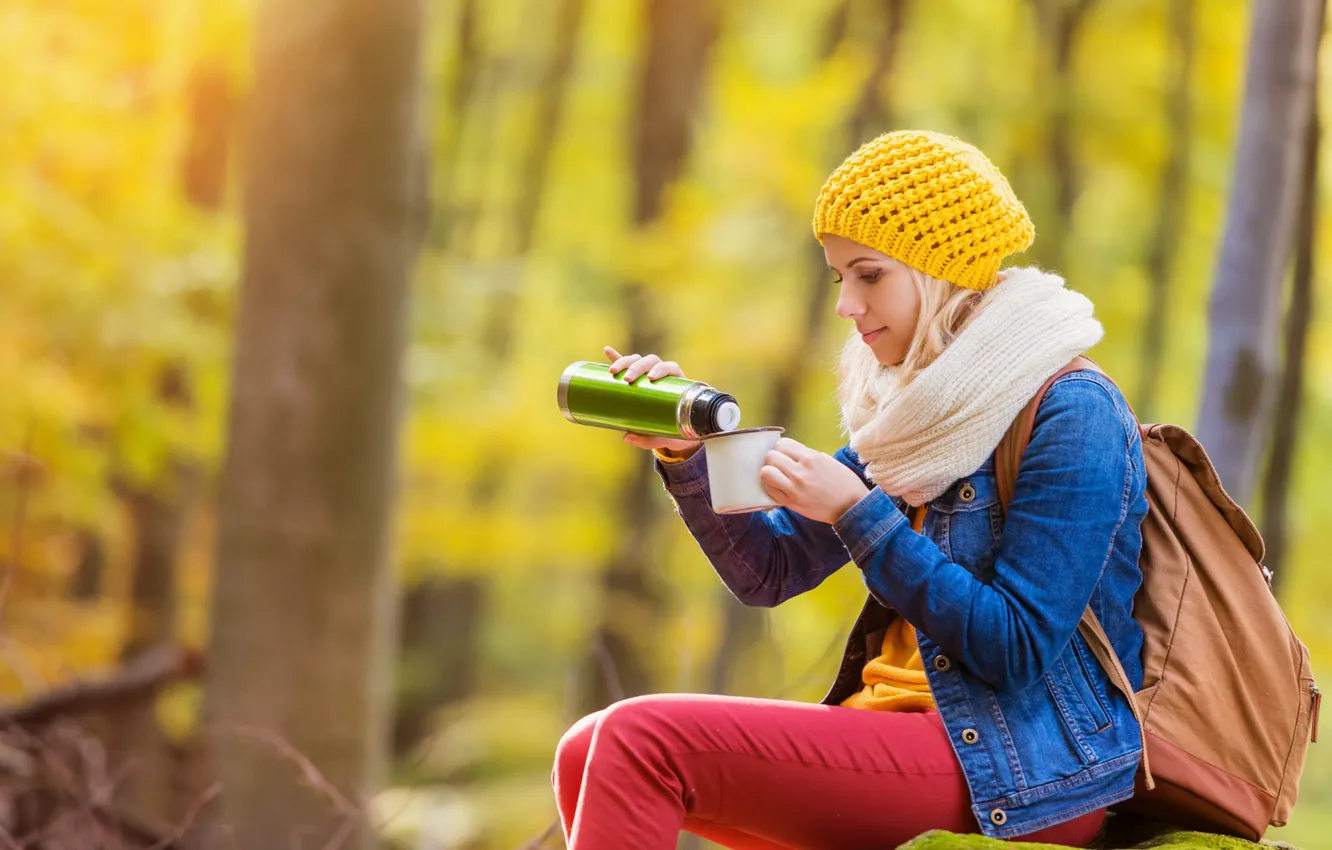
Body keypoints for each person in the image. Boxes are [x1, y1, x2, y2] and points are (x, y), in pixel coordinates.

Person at [552, 130, 1148, 849]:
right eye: (840, 278)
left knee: (635, 741)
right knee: (588, 749)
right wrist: (686, 457)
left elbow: (1016, 648)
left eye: (869, 275)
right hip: (894, 737)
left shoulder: (1071, 411)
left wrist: (857, 513)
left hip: (1016, 767)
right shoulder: (916, 416)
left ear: (942, 271)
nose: (846, 305)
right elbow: (767, 572)